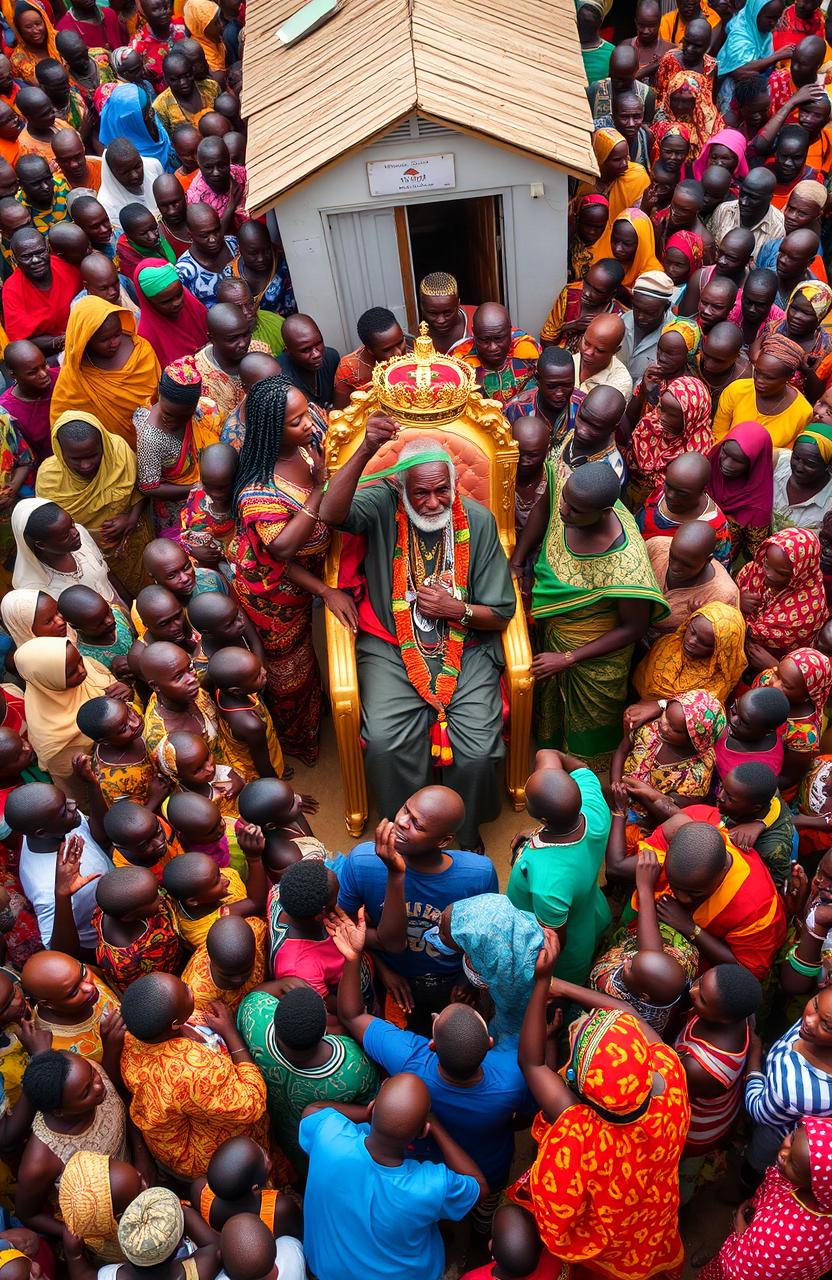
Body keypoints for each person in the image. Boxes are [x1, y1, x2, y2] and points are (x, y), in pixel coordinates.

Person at [319, 424, 516, 847]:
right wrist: (368, 447)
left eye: (441, 490)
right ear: (400, 486)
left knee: (480, 752)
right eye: (420, 493)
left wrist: (455, 609)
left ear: (453, 482)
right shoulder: (383, 505)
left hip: (468, 646)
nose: (431, 503)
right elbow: (331, 514)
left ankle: (459, 832)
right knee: (386, 744)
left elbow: (501, 611)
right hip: (391, 644)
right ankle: (407, 830)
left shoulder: (477, 522)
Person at [508, 932, 690, 1280]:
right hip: (649, 1210)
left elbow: (531, 1063)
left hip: (605, 1240)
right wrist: (561, 987)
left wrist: (543, 981)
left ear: (577, 1080)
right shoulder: (669, 1074)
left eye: (581, 1031)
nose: (586, 1021)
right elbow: (625, 1011)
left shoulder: (578, 1131)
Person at [331, 905, 534, 1209]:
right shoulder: (512, 1074)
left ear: (432, 1045)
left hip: (427, 1166)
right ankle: (480, 1233)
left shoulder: (410, 1060)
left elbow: (351, 1015)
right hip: (489, 1167)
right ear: (490, 1043)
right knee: (485, 1207)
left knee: (433, 1210)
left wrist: (352, 957)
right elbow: (529, 1115)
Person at [513, 463, 666, 769]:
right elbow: (545, 507)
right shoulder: (570, 489)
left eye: (576, 509)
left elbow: (633, 628)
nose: (565, 511)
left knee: (588, 729)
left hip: (595, 657)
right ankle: (550, 766)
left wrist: (570, 657)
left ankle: (583, 788)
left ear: (603, 511)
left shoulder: (626, 564)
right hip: (556, 636)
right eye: (566, 501)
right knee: (551, 709)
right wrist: (517, 561)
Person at [231, 376, 346, 764]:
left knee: (310, 662)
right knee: (289, 676)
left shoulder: (307, 446)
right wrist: (317, 488)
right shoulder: (258, 491)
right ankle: (298, 744)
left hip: (304, 582)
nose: (310, 424)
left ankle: (317, 714)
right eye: (296, 422)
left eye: (307, 414)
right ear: (270, 431)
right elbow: (281, 551)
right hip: (271, 596)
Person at [299, 1073, 484, 1280]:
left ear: (371, 1108)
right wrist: (438, 1128)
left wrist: (375, 1115)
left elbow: (312, 1110)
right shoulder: (430, 1185)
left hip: (326, 1269)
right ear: (423, 1131)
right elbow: (479, 1186)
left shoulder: (329, 1137)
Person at [337, 786, 497, 1024]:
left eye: (417, 825)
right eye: (405, 810)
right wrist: (383, 969)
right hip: (391, 976)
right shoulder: (362, 862)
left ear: (444, 841)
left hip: (453, 978)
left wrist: (468, 981)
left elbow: (484, 938)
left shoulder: (478, 874)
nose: (401, 822)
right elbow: (347, 928)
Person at [119, 971, 268, 1179]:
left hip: (170, 1125)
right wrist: (230, 1033)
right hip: (194, 1152)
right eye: (185, 991)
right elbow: (252, 1104)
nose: (189, 987)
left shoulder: (137, 1033)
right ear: (175, 1024)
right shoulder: (193, 1070)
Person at [237, 979, 379, 1177]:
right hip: (311, 1145)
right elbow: (371, 1106)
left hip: (270, 1126)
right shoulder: (353, 1066)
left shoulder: (256, 1017)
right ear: (324, 1030)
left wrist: (284, 983)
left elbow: (256, 995)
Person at [507, 752, 611, 985]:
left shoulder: (548, 880)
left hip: (568, 946)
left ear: (542, 818)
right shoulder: (593, 805)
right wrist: (535, 834)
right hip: (589, 907)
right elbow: (553, 756)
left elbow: (554, 940)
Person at [35, 413, 152, 601]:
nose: (86, 465)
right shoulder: (49, 479)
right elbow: (53, 529)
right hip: (87, 556)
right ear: (60, 451)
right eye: (75, 459)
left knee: (147, 588)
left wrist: (130, 518)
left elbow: (140, 489)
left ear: (103, 443)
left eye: (93, 455)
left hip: (133, 542)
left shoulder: (119, 452)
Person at [675, 964, 763, 1204]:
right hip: (721, 1109)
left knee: (679, 1169)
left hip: (696, 1129)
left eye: (702, 998)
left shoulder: (700, 1067)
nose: (692, 991)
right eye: (700, 982)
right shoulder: (740, 1016)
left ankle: (678, 1202)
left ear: (724, 1018)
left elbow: (672, 1098)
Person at [702, 1118, 832, 1280]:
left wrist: (740, 1231)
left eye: (795, 1165)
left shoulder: (787, 1237)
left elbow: (740, 1273)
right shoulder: (815, 1192)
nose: (784, 1153)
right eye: (792, 1138)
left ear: (818, 1186)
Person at [6, 780, 112, 954]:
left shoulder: (56, 823)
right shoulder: (47, 888)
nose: (73, 804)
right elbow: (60, 952)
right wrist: (62, 895)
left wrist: (92, 785)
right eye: (64, 810)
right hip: (102, 941)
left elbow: (97, 835)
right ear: (42, 832)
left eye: (65, 799)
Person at [14, 636, 117, 805]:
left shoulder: (87, 667)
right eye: (71, 673)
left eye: (80, 661)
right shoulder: (53, 741)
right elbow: (78, 788)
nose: (82, 670)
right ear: (46, 679)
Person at [51, 297, 161, 449]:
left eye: (117, 334)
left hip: (155, 442)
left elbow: (160, 398)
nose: (114, 342)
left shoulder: (141, 350)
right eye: (104, 340)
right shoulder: (75, 376)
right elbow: (63, 423)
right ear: (86, 339)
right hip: (111, 456)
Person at [134, 360, 221, 537]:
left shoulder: (205, 411)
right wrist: (198, 488)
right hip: (174, 509)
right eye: (167, 414)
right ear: (160, 396)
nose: (171, 421)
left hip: (211, 497)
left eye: (182, 416)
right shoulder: (150, 437)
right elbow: (148, 487)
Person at [738, 528, 828, 660]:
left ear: (800, 573)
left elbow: (755, 634)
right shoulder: (757, 568)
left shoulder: (807, 609)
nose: (768, 575)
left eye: (781, 573)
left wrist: (735, 604)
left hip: (778, 661)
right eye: (767, 564)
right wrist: (738, 598)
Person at [633, 600, 747, 704]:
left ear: (720, 651)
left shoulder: (717, 681)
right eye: (692, 631)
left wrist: (659, 705)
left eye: (704, 643)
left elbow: (693, 710)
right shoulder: (668, 644)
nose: (691, 641)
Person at [625, 374, 712, 507]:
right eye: (661, 408)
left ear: (691, 417)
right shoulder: (651, 424)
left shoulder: (698, 452)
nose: (662, 417)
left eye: (672, 414)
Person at [713, 333, 812, 448]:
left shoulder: (802, 413)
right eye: (757, 372)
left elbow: (786, 456)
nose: (759, 381)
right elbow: (718, 434)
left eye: (769, 378)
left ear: (789, 377)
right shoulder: (736, 390)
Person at [92, 865, 181, 991]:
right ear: (130, 917)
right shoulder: (124, 961)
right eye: (154, 898)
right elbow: (144, 988)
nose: (161, 897)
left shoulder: (118, 908)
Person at [637, 450, 732, 567]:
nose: (669, 495)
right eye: (668, 485)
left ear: (703, 490)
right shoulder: (658, 495)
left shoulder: (716, 529)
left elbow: (719, 570)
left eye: (681, 493)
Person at [644, 524, 740, 637]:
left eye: (686, 564)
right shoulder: (657, 546)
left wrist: (699, 617)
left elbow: (721, 639)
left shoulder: (723, 596)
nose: (674, 567)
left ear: (708, 560)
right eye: (672, 557)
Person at [574, 129, 650, 265]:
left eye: (626, 157)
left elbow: (639, 220)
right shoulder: (583, 180)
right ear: (600, 158)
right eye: (617, 160)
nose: (625, 164)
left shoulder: (636, 177)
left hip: (621, 244)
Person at [2, 228, 78, 356]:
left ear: (48, 249)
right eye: (26, 256)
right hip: (50, 354)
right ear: (15, 260)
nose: (36, 260)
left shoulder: (66, 265)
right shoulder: (11, 290)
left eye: (40, 252)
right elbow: (22, 341)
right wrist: (67, 340)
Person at [708, 421, 774, 564]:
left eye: (738, 460)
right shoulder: (711, 463)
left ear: (755, 462)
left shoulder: (757, 505)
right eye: (725, 453)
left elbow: (754, 554)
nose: (726, 463)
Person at [455, 303, 541, 407]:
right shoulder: (461, 362)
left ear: (510, 331)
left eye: (499, 339)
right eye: (484, 340)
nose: (492, 347)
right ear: (474, 333)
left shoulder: (526, 349)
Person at [539, 258, 626, 352]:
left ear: (612, 294)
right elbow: (546, 339)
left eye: (597, 291)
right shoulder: (569, 295)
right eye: (586, 283)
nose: (586, 293)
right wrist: (571, 326)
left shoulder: (617, 317)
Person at [134, 258, 208, 369]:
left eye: (179, 294)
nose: (177, 303)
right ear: (148, 302)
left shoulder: (190, 303)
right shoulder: (147, 337)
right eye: (166, 302)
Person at [0, 341, 58, 465]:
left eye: (44, 365)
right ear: (13, 375)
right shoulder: (8, 411)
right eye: (32, 373)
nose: (43, 374)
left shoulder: (61, 377)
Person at [773, 423, 832, 531]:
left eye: (810, 464)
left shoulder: (829, 504)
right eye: (795, 457)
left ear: (828, 466)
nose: (799, 467)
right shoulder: (778, 462)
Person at [98, 139, 163, 236]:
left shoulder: (153, 166)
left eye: (137, 166)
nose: (134, 175)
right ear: (112, 172)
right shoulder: (107, 204)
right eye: (125, 172)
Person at [185, 137, 246, 232]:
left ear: (229, 160)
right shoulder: (197, 200)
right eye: (209, 167)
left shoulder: (238, 173)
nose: (216, 173)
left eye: (221, 165)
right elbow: (213, 238)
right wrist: (231, 207)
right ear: (199, 164)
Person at [153, 49, 218, 132]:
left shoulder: (211, 87)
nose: (183, 82)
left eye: (188, 75)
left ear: (192, 71)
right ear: (166, 79)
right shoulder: (160, 107)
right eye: (175, 79)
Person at [571, 312, 632, 399]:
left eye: (599, 350)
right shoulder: (570, 360)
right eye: (586, 343)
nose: (588, 352)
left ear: (615, 351)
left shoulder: (620, 384)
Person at [566, 195, 610, 282]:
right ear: (578, 219)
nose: (592, 232)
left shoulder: (612, 245)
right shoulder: (567, 237)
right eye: (588, 225)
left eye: (599, 227)